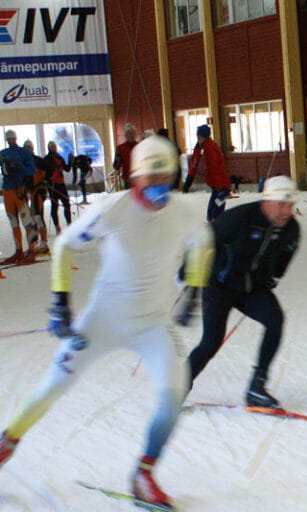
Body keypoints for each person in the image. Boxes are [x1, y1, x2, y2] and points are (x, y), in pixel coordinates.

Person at [0, 135, 214, 510]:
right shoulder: (112, 209)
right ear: (136, 178)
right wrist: (60, 302)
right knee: (52, 387)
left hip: (153, 323)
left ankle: (144, 473)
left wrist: (194, 289)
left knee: (173, 393)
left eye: (167, 177)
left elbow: (204, 243)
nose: (161, 187)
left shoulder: (182, 210)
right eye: (152, 179)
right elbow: (65, 245)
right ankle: (7, 442)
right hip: (101, 321)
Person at [187, 175, 300, 409]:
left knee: (274, 320)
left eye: (290, 205)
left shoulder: (290, 229)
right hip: (219, 285)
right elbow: (203, 242)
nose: (287, 211)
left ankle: (257, 387)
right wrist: (190, 286)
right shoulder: (239, 219)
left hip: (251, 288)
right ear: (267, 202)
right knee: (211, 342)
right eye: (282, 204)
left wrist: (273, 276)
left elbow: (285, 256)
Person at [0, 129, 39, 264]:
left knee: (27, 221)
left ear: (16, 138)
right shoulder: (3, 153)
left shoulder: (24, 153)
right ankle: (18, 250)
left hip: (19, 190)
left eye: (12, 138)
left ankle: (31, 250)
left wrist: (18, 166)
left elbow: (32, 170)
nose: (10, 140)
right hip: (7, 190)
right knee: (13, 222)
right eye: (8, 138)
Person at [183, 124, 232, 222]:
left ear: (201, 136)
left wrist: (218, 186)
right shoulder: (208, 146)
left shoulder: (209, 148)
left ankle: (217, 227)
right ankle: (214, 224)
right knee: (213, 208)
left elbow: (214, 168)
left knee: (216, 209)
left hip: (220, 186)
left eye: (197, 136)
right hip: (218, 185)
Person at [22, 140, 51, 253]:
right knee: (34, 216)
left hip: (38, 191)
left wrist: (43, 180)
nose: (27, 149)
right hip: (31, 192)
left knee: (37, 216)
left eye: (29, 147)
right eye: (26, 148)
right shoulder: (25, 162)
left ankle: (43, 243)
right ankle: (37, 243)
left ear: (32, 148)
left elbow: (49, 170)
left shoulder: (38, 160)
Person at [43, 141, 72, 235]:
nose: (53, 148)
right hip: (53, 186)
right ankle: (57, 227)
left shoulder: (59, 157)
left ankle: (69, 224)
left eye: (54, 146)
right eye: (51, 147)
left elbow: (67, 169)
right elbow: (45, 173)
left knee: (67, 204)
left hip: (61, 185)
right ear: (49, 148)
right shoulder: (46, 159)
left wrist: (70, 160)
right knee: (54, 206)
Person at [113, 123, 139, 190]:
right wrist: (117, 162)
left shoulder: (140, 146)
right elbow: (116, 165)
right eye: (129, 133)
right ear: (126, 135)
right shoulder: (120, 148)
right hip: (127, 178)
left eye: (133, 133)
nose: (131, 135)